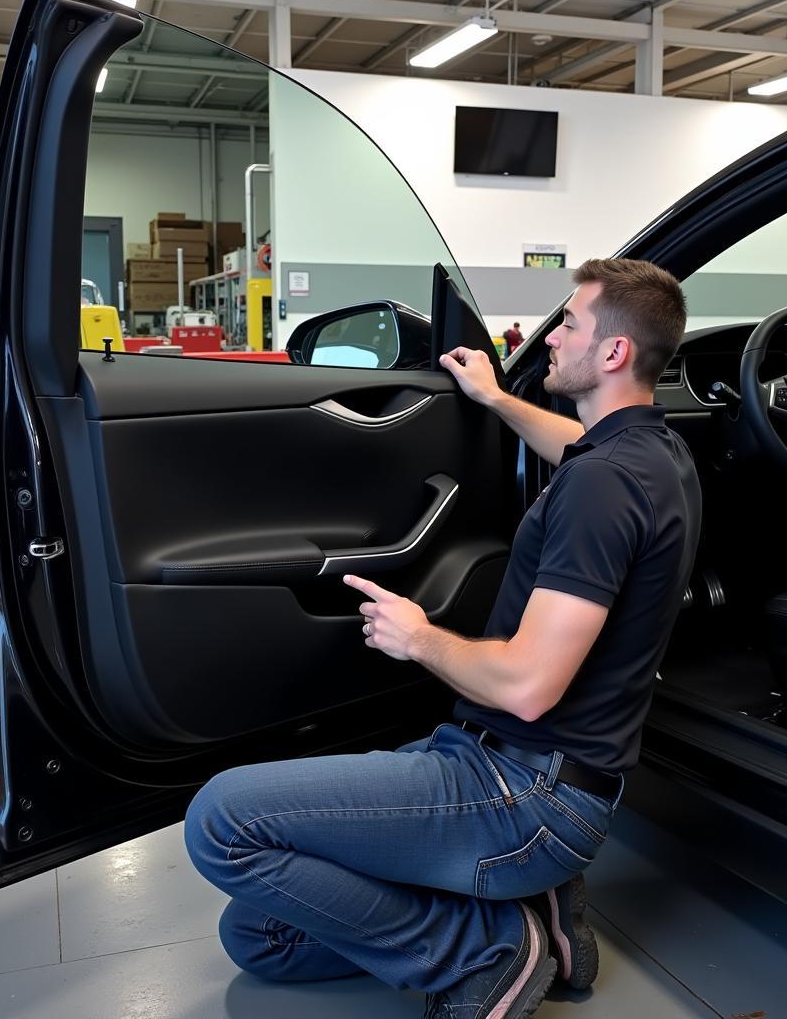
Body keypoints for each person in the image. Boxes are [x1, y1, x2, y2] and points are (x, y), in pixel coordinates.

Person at [184, 258, 702, 1019]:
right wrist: (495, 398)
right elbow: (576, 445)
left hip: (525, 795)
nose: (551, 337)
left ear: (616, 353)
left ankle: (487, 953)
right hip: (518, 767)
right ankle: (529, 910)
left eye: (570, 324)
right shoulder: (654, 455)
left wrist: (419, 637)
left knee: (221, 823)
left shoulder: (605, 485)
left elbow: (529, 685)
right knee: (260, 935)